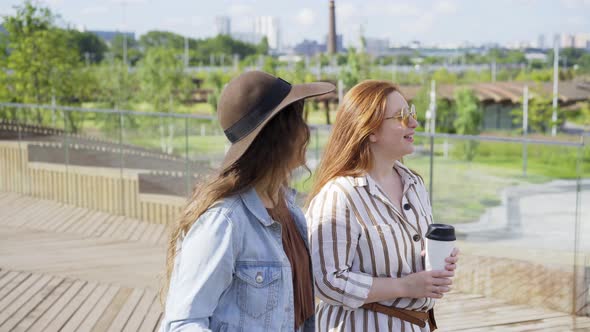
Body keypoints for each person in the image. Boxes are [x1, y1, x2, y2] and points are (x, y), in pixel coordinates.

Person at [159, 71, 335, 332]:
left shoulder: (288, 208)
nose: (307, 131)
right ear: (280, 135)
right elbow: (182, 323)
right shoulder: (225, 222)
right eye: (299, 121)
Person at [306, 80, 459, 331]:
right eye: (401, 116)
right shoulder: (339, 195)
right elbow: (326, 281)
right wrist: (406, 286)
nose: (413, 123)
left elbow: (404, 259)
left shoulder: (414, 184)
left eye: (411, 113)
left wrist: (434, 261)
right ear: (371, 130)